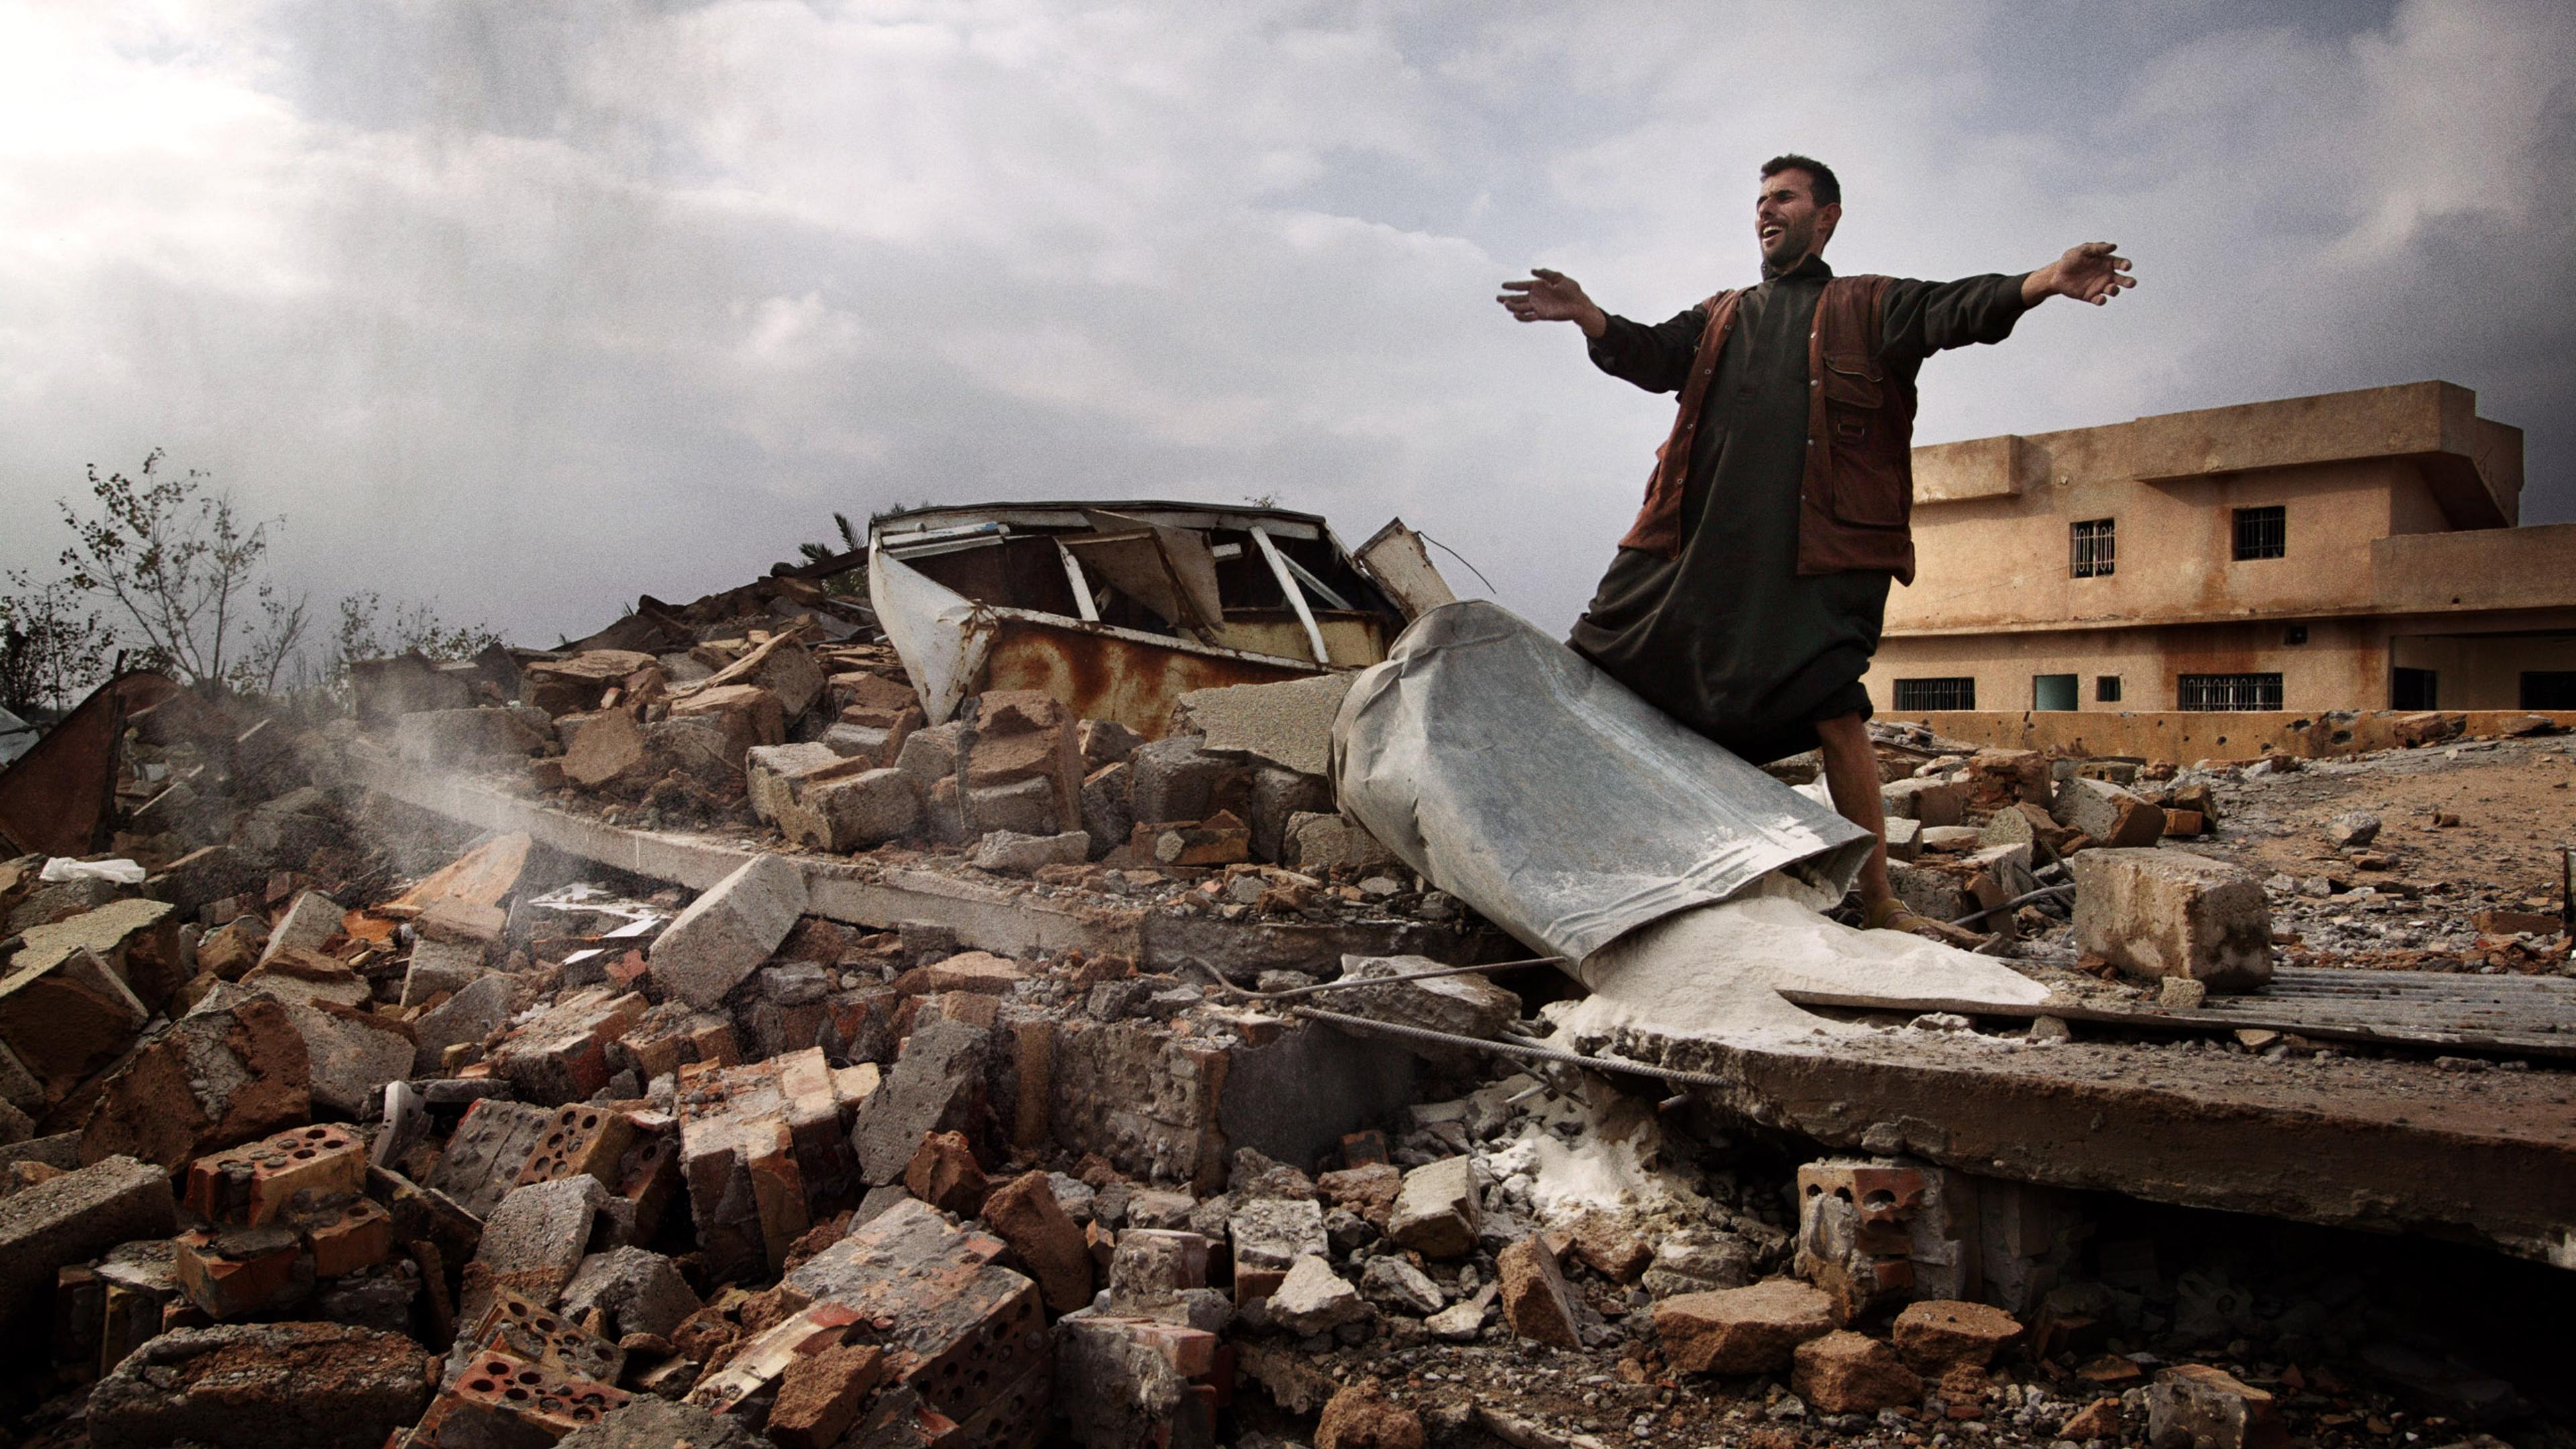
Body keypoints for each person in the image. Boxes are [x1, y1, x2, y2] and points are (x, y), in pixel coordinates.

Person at [1497, 154, 2135, 932]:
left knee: (1835, 708)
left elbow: (1956, 308)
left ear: (1826, 216)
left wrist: (2043, 279)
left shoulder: (1868, 305)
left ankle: (1881, 903)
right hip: (1693, 544)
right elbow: (1655, 355)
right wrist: (1591, 316)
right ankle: (1552, 847)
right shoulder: (1723, 315)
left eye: (1784, 198)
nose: (1767, 210)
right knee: (1594, 666)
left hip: (1815, 553)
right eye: (1760, 200)